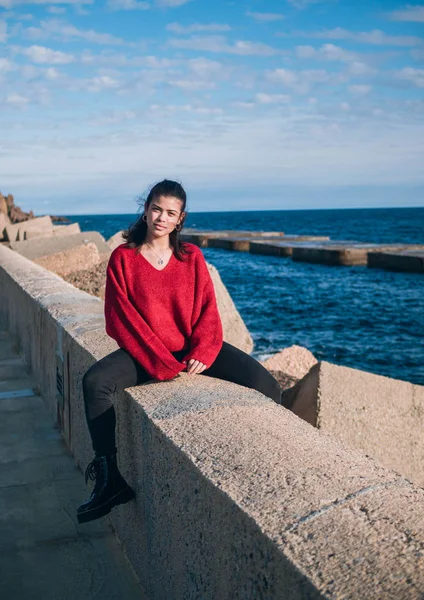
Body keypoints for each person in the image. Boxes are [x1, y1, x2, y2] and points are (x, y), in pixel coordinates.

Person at [77, 179, 282, 524]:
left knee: (268, 385)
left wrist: (202, 348)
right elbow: (119, 317)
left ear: (180, 219)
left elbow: (207, 310)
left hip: (193, 350)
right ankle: (109, 478)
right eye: (156, 208)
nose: (161, 217)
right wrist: (159, 361)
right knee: (95, 382)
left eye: (170, 213)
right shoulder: (123, 258)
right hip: (148, 352)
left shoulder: (191, 257)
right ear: (145, 210)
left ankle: (272, 467)